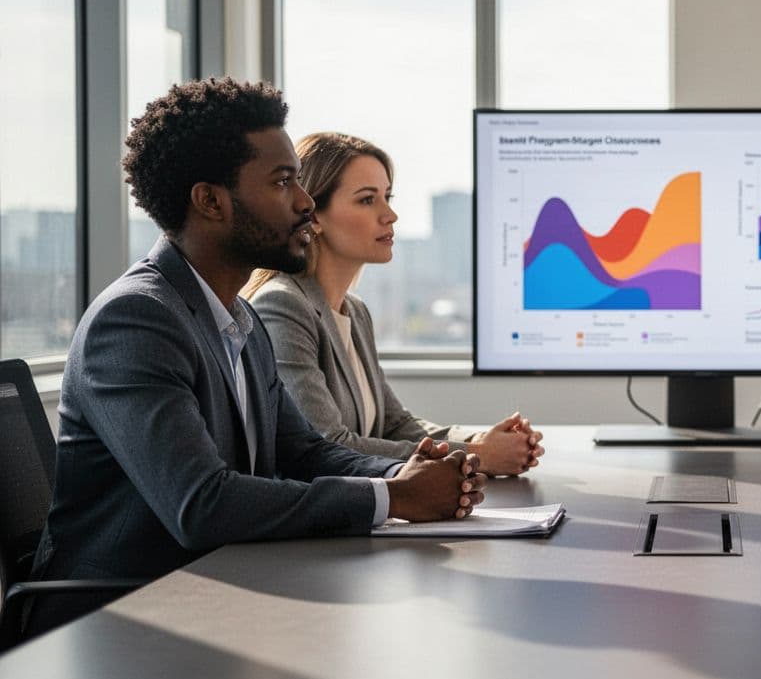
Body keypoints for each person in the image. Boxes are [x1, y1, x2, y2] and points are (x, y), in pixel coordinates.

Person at [29, 79, 487, 632]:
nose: (304, 203)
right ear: (211, 201)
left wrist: (410, 471)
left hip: (215, 595)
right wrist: (392, 497)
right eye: (282, 182)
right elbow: (202, 505)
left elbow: (304, 453)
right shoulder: (137, 320)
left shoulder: (237, 318)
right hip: (120, 622)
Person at [242, 132, 544, 476]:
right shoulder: (283, 306)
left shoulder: (354, 311)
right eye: (368, 200)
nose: (391, 215)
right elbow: (327, 444)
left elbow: (395, 424)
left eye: (387, 196)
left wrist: (480, 439)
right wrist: (477, 455)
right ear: (314, 216)